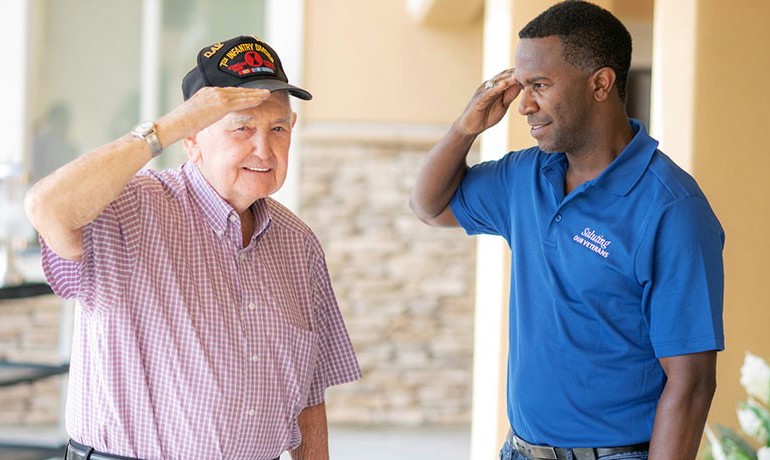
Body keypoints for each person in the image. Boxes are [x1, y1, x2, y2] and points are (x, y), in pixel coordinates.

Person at [410, 2, 724, 459]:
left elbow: (692, 382)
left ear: (600, 83)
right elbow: (429, 206)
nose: (524, 104)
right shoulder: (524, 177)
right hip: (520, 450)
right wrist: (467, 126)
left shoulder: (672, 209)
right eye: (521, 85)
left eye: (539, 85)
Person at [24, 35, 361, 460]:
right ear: (193, 140)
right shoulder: (129, 209)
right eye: (242, 127)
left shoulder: (299, 244)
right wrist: (163, 129)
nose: (264, 148)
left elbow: (310, 396)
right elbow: (45, 207)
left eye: (277, 128)